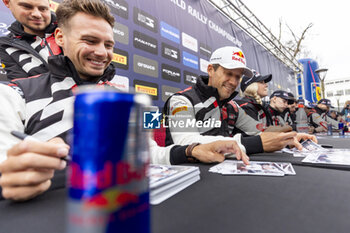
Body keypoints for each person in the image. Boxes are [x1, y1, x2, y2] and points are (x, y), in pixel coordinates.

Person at [0, 0, 249, 201]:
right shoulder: (13, 93)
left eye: (108, 44)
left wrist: (191, 150)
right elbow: (6, 164)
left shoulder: (130, 100)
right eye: (89, 40)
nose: (101, 52)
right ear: (60, 38)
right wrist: (12, 177)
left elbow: (151, 155)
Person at [163, 46, 315, 155]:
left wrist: (289, 137)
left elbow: (260, 130)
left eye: (237, 76)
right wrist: (255, 144)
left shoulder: (232, 106)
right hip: (184, 178)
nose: (233, 82)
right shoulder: (181, 100)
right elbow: (185, 140)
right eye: (228, 73)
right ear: (210, 70)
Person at [0, 0, 61, 79]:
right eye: (27, 7)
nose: (37, 14)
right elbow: (23, 86)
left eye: (43, 8)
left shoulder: (70, 26)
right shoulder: (6, 45)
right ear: (7, 2)